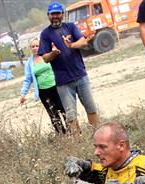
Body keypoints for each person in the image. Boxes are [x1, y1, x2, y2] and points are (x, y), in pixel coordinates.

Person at [38, 2, 99, 132]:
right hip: (63, 82)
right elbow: (45, 58)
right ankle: (78, 144)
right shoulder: (45, 34)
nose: (55, 16)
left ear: (63, 14)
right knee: (71, 117)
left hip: (80, 76)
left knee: (91, 108)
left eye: (58, 13)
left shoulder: (71, 27)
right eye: (52, 14)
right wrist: (53, 53)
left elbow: (83, 42)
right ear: (48, 15)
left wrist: (71, 45)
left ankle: (98, 135)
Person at [19, 38, 67, 134]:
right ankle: (62, 135)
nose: (35, 48)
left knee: (63, 109)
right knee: (53, 114)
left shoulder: (48, 55)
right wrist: (23, 94)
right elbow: (28, 79)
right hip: (43, 91)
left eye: (37, 46)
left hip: (56, 87)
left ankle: (72, 131)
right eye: (33, 46)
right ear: (30, 48)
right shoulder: (29, 63)